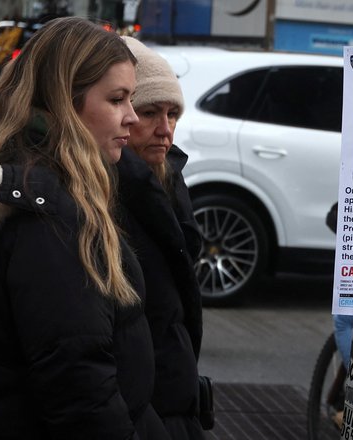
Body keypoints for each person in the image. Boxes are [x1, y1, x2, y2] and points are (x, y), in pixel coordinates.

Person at [0, 17, 168, 439]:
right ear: (64, 102)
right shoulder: (46, 212)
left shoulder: (37, 188)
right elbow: (78, 386)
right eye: (117, 99)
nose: (131, 117)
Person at [116, 36, 206, 439]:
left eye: (173, 114)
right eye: (150, 112)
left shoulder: (168, 179)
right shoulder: (110, 191)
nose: (165, 129)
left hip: (172, 396)